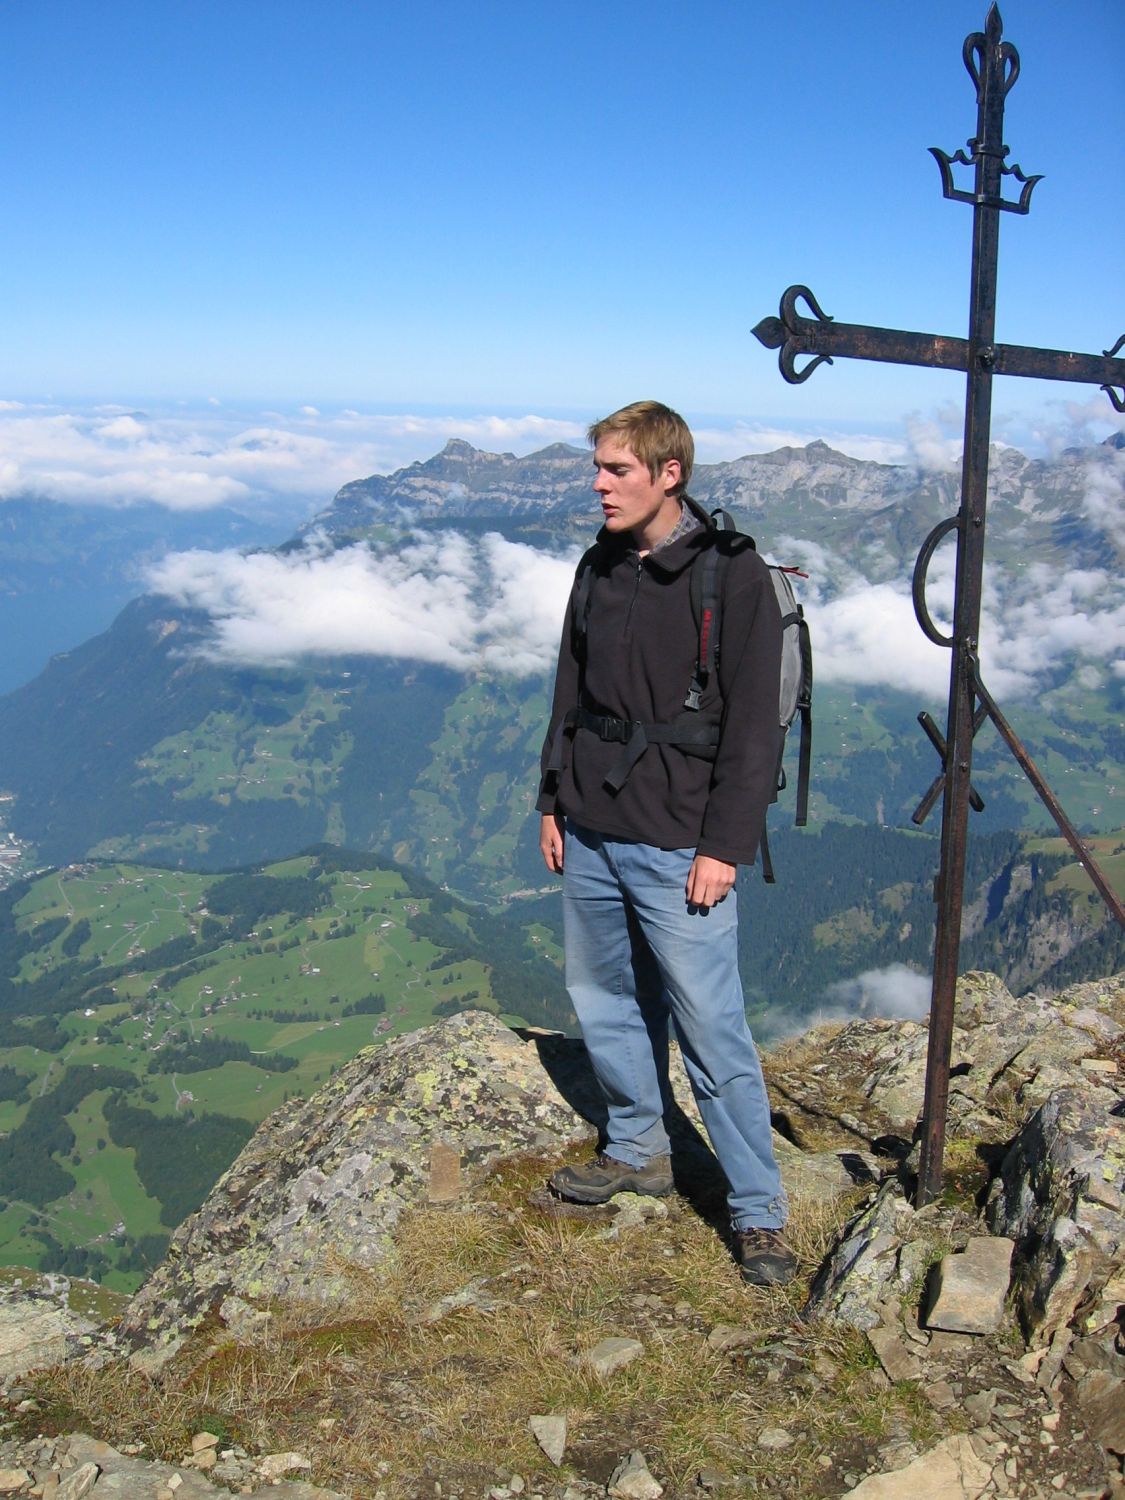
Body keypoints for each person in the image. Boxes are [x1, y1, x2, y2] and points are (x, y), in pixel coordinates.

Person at [536, 400, 794, 1287]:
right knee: (605, 997)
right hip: (591, 825)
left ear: (668, 473)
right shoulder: (599, 564)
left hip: (682, 840)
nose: (598, 485)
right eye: (598, 468)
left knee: (711, 1027)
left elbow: (752, 725)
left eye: (616, 470)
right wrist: (550, 800)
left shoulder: (730, 573)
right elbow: (569, 690)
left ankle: (757, 1211)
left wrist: (724, 843)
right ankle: (636, 1147)